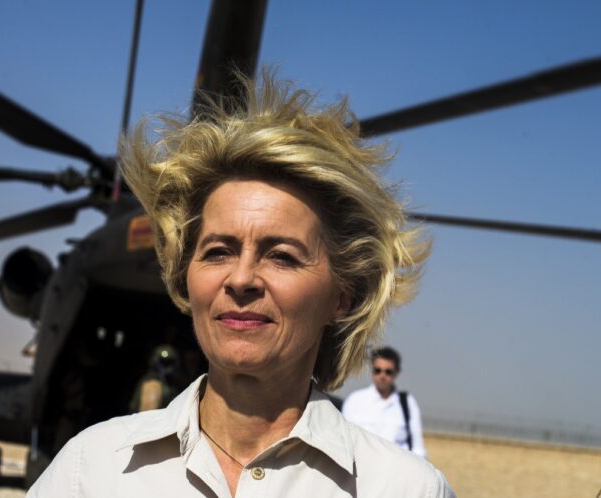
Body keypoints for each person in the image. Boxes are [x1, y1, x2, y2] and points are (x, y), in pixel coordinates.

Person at [27, 70, 454, 497]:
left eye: (282, 257)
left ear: (342, 296)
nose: (242, 279)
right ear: (185, 277)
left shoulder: (404, 488)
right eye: (217, 252)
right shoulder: (92, 469)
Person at [342, 346, 427, 457]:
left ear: (396, 373)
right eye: (378, 370)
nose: (382, 376)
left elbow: (418, 448)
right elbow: (344, 442)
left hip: (398, 470)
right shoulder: (355, 401)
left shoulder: (407, 403)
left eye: (388, 372)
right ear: (372, 370)